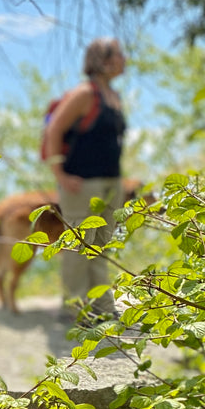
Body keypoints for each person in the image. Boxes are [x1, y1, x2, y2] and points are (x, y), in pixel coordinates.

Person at [42, 36, 127, 321]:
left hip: (110, 183)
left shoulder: (113, 96)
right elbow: (54, 130)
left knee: (99, 245)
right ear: (102, 61)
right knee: (79, 245)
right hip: (81, 182)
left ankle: (101, 307)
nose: (123, 59)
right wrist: (60, 174)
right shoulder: (84, 94)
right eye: (118, 54)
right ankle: (74, 309)